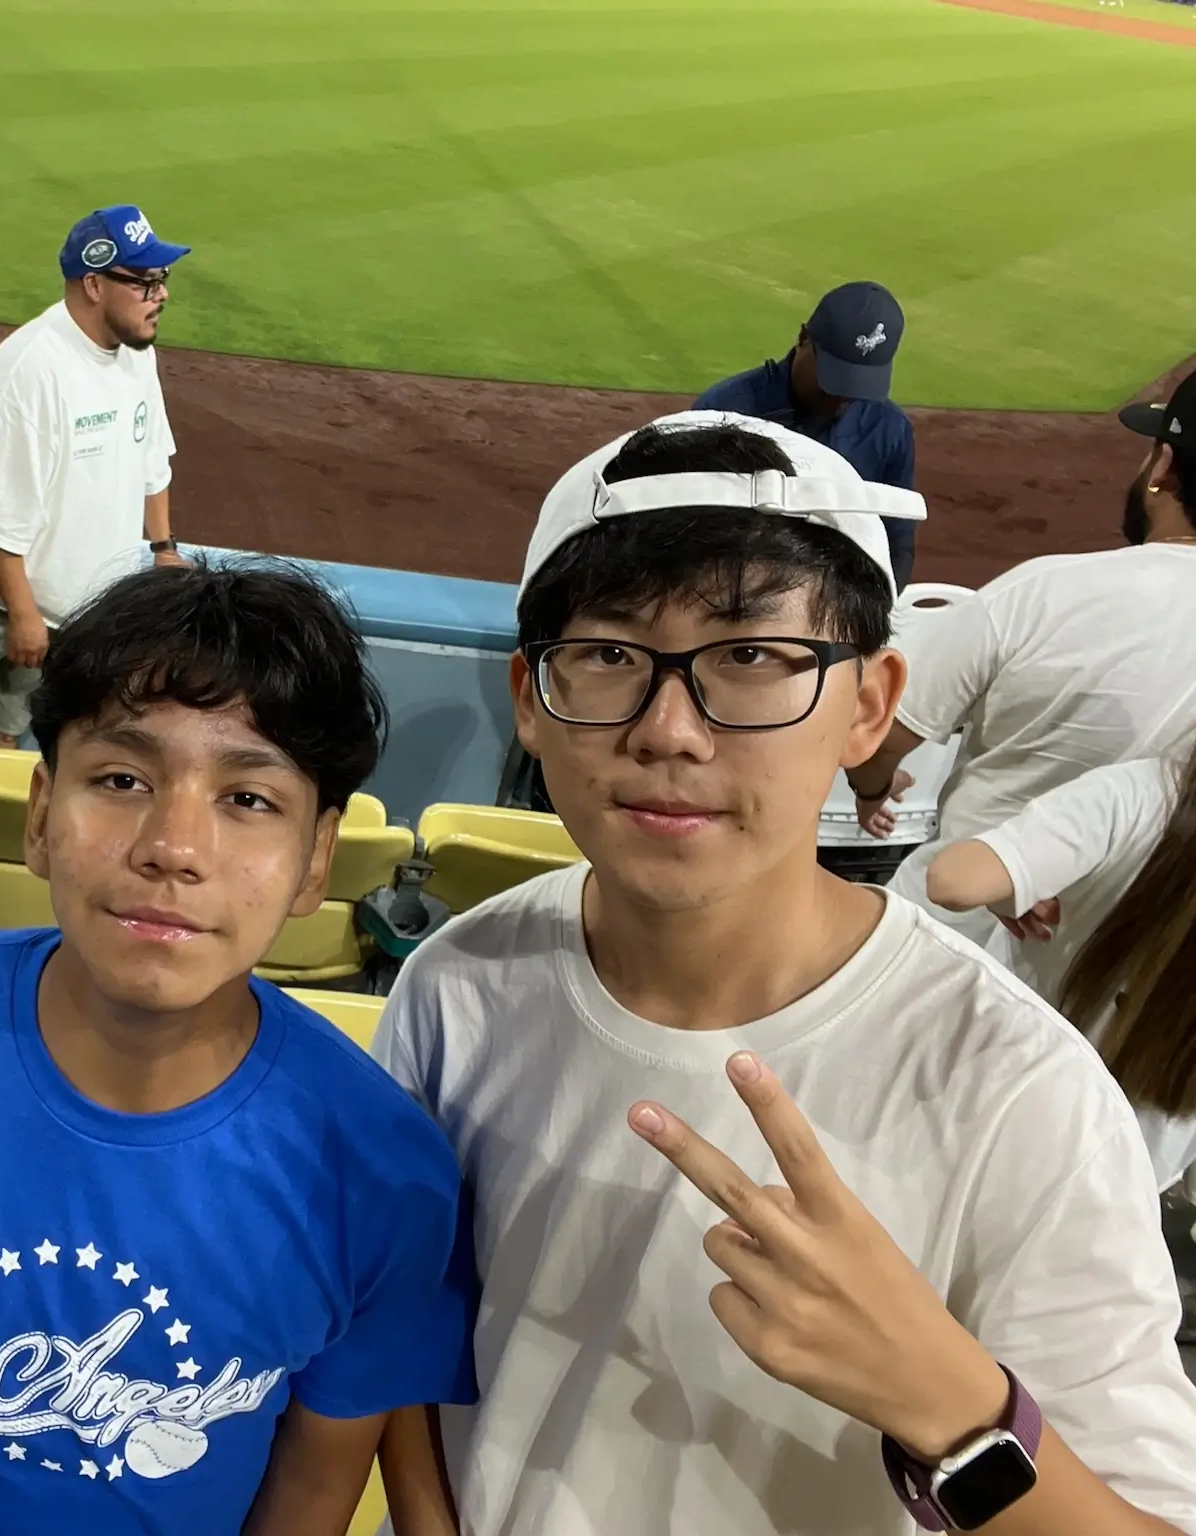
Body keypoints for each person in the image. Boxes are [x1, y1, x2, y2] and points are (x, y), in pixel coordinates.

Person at [373, 414, 1196, 1535]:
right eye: (609, 655)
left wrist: (948, 1404)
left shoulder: (1013, 1087)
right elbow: (409, 1331)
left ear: (868, 703)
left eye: (752, 658)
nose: (669, 730)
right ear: (528, 696)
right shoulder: (456, 982)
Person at [0, 563, 475, 1534]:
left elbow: (314, 1489)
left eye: (247, 800)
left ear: (317, 858)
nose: (172, 845)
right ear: (37, 816)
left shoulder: (381, 1171)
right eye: (120, 779)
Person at [851, 370, 1196, 943]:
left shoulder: (1044, 591)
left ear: (1161, 467)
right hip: (1123, 972)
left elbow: (876, 736)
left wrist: (872, 788)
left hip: (951, 941)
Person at [0, 205, 188, 768]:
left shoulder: (138, 356)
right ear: (93, 284)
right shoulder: (32, 372)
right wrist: (24, 614)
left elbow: (152, 460)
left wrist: (163, 549)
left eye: (162, 280)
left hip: (68, 607)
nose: (161, 295)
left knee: (2, 740)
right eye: (144, 282)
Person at [924, 751, 1196, 1195]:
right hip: (1119, 1188)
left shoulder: (1144, 793)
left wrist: (1010, 894)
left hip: (983, 1115)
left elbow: (953, 880)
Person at [695, 281, 919, 589]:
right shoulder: (723, 412)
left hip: (838, 600)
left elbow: (897, 542)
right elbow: (689, 531)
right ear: (803, 339)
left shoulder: (889, 429)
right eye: (835, 377)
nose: (844, 396)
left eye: (860, 385)